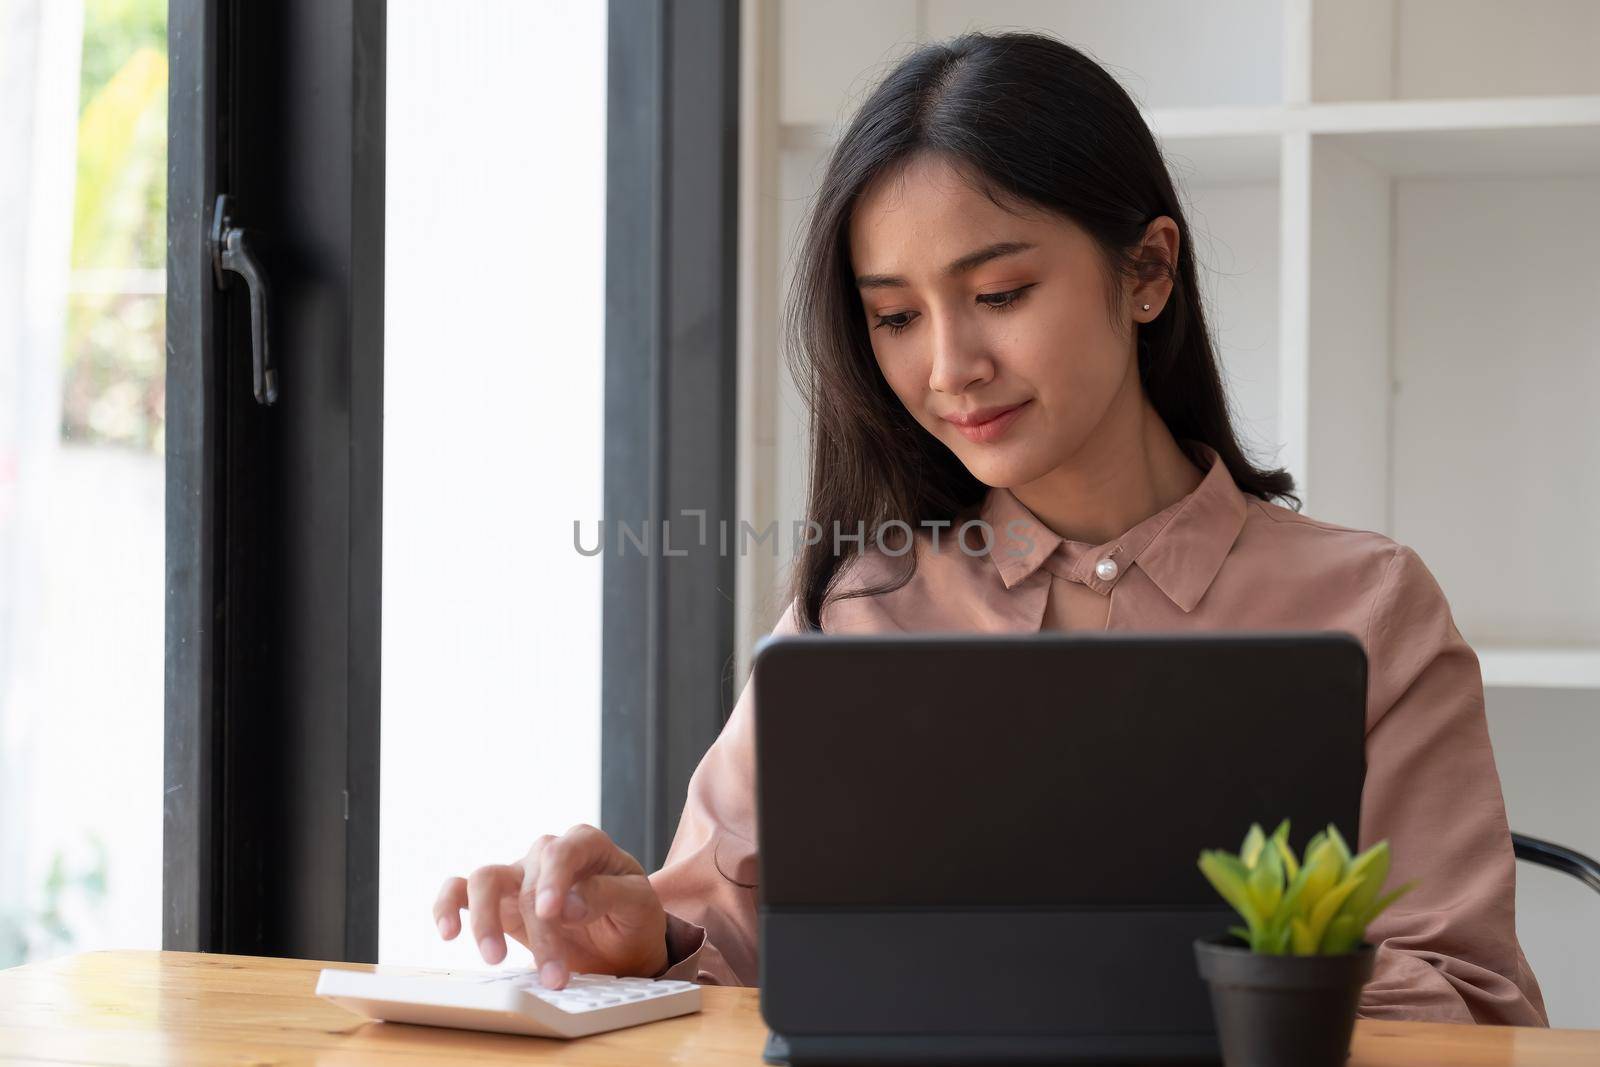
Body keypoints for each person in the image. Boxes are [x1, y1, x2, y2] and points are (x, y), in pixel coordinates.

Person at [431, 30, 1548, 1026]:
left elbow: (1470, 1001)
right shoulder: (855, 611)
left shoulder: (1368, 606)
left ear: (1147, 270)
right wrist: (640, 937)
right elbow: (729, 948)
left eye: (1001, 293)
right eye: (896, 316)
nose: (949, 366)